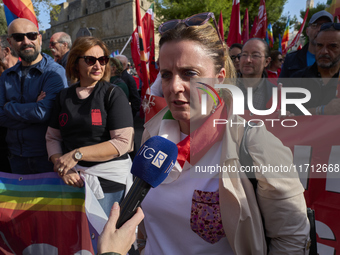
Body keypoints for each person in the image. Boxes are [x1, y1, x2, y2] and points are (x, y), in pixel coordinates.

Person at [138, 13, 310, 255]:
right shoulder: (152, 134)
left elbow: (291, 238)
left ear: (219, 79)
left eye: (189, 74)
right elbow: (145, 220)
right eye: (166, 74)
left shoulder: (254, 144)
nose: (174, 86)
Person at [46, 36, 134, 216]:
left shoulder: (112, 94)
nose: (98, 65)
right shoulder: (64, 96)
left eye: (102, 60)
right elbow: (52, 138)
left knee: (102, 239)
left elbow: (124, 143)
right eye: (90, 60)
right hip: (72, 181)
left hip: (108, 182)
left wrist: (77, 154)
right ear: (75, 63)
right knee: (77, 240)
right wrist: (64, 167)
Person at [0, 18, 67, 174]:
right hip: (15, 156)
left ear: (40, 38)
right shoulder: (7, 76)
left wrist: (9, 107)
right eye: (18, 37)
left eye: (31, 35)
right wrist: (33, 109)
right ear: (10, 42)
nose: (26, 41)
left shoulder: (54, 73)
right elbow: (0, 117)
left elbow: (44, 113)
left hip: (47, 157)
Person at [285, 23, 340, 115]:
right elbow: (288, 115)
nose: (324, 51)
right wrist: (322, 110)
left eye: (332, 46)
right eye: (319, 45)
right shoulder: (297, 79)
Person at [280, 10, 333, 78]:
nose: (320, 29)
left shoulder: (337, 60)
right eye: (315, 25)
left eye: (326, 26)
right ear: (307, 31)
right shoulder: (291, 59)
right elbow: (282, 87)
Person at [237, 38, 276, 110]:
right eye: (244, 54)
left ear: (267, 61)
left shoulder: (277, 95)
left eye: (255, 55)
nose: (247, 60)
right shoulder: (224, 89)